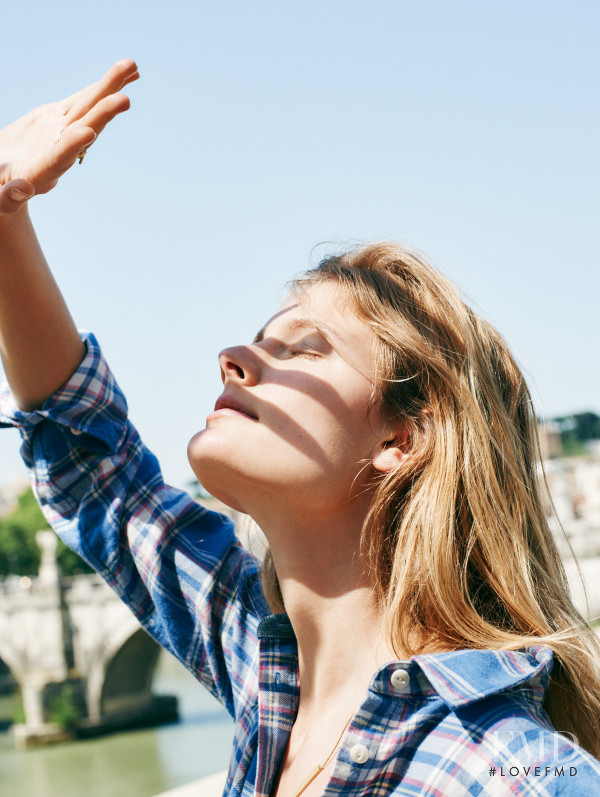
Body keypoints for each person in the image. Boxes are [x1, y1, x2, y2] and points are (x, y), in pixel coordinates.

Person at [0, 61, 599, 797]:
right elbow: (97, 472)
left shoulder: (522, 774)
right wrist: (5, 211)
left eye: (303, 349)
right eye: (256, 337)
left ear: (401, 439)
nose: (232, 358)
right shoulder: (267, 671)